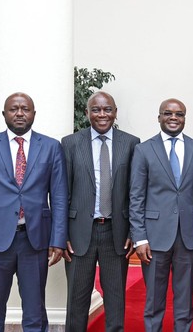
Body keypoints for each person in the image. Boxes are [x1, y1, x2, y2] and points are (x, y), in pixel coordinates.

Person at [0, 92, 68, 331]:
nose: (19, 113)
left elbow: (60, 198)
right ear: (4, 114)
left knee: (35, 312)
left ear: (33, 114)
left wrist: (58, 240)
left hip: (35, 241)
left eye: (25, 109)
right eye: (13, 109)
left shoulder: (51, 147)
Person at [61, 91, 140, 332]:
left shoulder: (131, 143)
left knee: (115, 300)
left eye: (107, 109)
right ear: (87, 113)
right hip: (78, 234)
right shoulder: (71, 143)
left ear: (115, 113)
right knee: (77, 300)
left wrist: (133, 232)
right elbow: (61, 192)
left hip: (116, 233)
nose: (102, 114)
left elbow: (134, 192)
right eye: (96, 109)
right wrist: (60, 235)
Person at [129, 98, 193, 332]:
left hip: (188, 236)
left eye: (179, 114)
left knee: (184, 300)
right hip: (154, 237)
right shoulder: (144, 149)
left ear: (185, 118)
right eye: (168, 113)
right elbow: (136, 196)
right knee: (154, 300)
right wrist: (139, 238)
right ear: (159, 117)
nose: (174, 118)